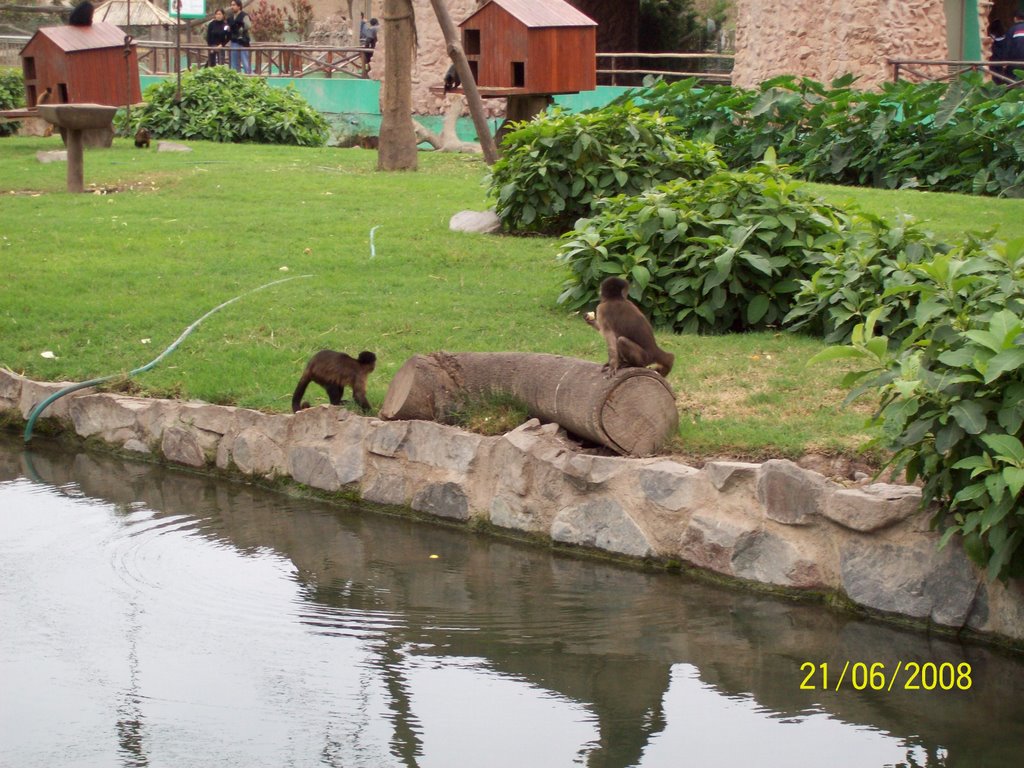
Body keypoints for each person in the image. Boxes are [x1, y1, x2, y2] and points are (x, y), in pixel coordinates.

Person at [227, 0, 252, 74]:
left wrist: (240, 28)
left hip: (242, 42)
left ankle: (250, 77)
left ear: (239, 6)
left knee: (245, 62)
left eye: (234, 5)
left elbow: (248, 26)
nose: (232, 7)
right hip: (234, 41)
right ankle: (236, 78)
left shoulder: (244, 15)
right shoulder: (230, 18)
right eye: (231, 5)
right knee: (234, 63)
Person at [1006, 10, 1024, 83]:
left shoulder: (1012, 30)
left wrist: (1005, 61)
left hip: (1015, 62)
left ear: (1015, 18)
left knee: (1013, 82)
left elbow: (1007, 46)